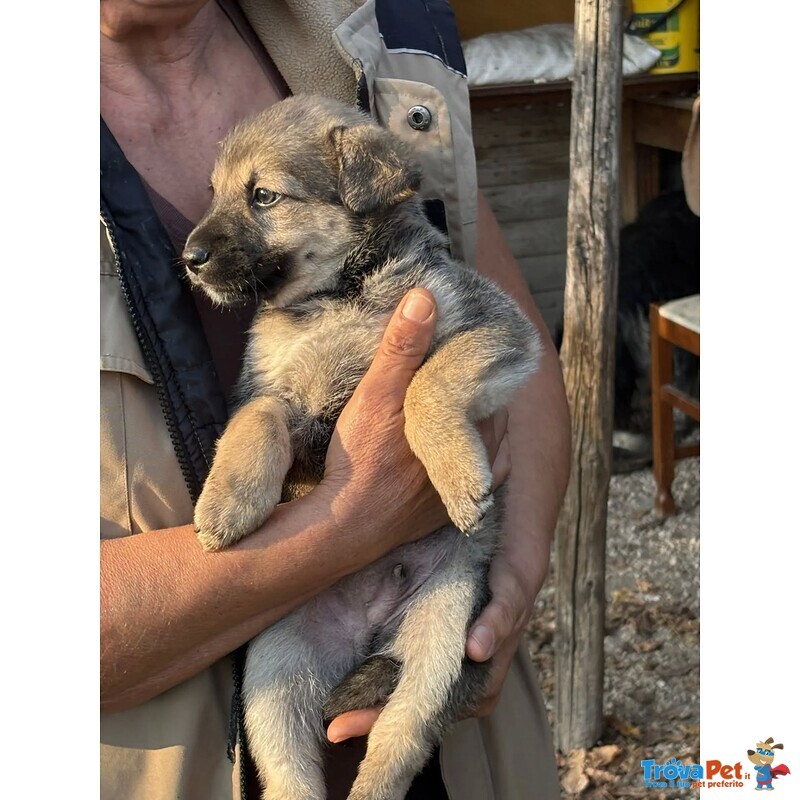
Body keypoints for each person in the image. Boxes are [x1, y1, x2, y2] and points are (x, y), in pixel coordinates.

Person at [100, 1, 571, 798]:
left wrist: (511, 585)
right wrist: (351, 520)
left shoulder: (369, 36)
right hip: (171, 762)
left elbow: (516, 341)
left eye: (259, 197)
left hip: (464, 743)